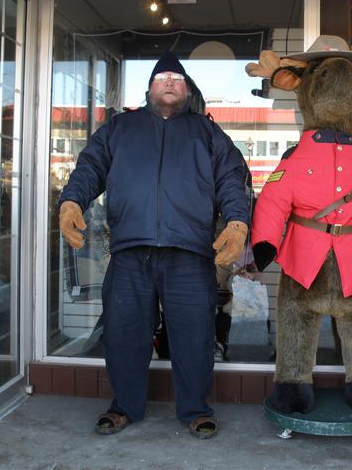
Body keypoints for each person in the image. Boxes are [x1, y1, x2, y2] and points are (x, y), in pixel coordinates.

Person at [58, 51, 250, 439]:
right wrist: (72, 200)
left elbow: (232, 178)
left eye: (176, 79)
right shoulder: (119, 128)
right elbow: (90, 167)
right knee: (124, 332)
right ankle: (123, 406)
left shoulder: (208, 133)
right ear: (149, 88)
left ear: (186, 89)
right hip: (131, 252)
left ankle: (195, 408)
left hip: (190, 253)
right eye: (161, 77)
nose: (168, 82)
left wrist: (237, 220)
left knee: (195, 336)